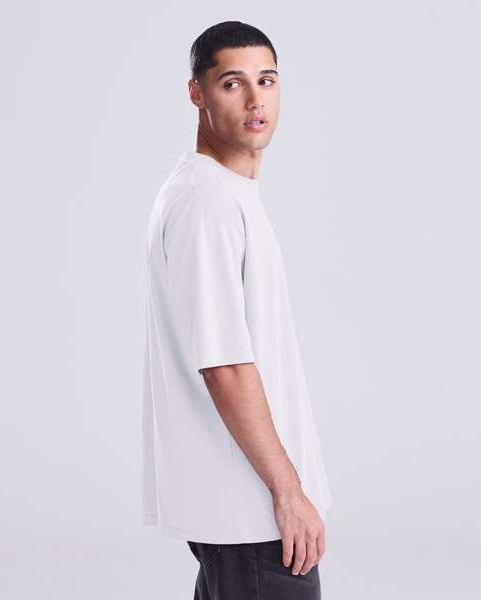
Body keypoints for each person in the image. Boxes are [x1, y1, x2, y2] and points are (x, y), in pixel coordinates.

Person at [142, 20, 332, 599]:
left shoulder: (223, 192)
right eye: (232, 83)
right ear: (196, 92)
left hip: (248, 512)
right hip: (253, 515)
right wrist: (287, 491)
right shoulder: (206, 201)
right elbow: (223, 363)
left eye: (266, 80)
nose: (255, 100)